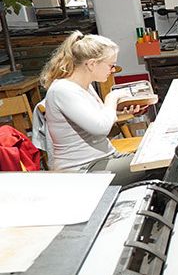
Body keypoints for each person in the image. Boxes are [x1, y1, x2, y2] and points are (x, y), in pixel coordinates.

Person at [40, 32, 148, 184]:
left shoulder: (84, 86)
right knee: (159, 163)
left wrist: (121, 111)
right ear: (91, 64)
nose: (112, 70)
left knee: (157, 156)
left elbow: (95, 117)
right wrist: (112, 98)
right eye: (111, 65)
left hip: (104, 159)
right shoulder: (63, 90)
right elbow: (100, 127)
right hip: (84, 171)